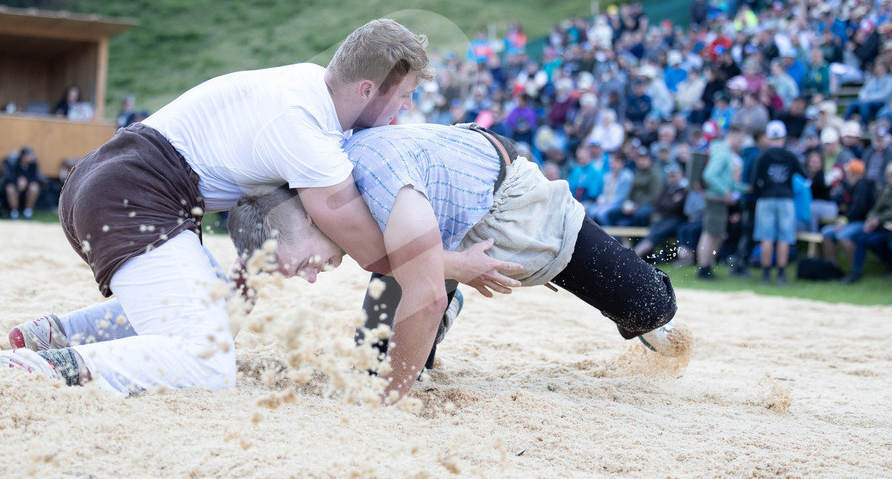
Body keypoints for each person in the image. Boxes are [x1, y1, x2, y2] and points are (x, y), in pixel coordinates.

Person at [0, 19, 516, 394]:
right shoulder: (306, 133)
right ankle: (38, 371)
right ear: (368, 86)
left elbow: (262, 227)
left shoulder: (305, 85)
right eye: (403, 97)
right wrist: (458, 266)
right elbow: (374, 250)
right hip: (135, 194)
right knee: (206, 364)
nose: (405, 111)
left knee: (218, 307)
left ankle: (61, 334)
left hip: (111, 180)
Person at [227, 123, 680, 404]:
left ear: (308, 215)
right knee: (374, 364)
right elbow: (263, 235)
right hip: (436, 234)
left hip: (506, 201)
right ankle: (445, 307)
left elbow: (420, 289)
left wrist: (389, 401)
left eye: (305, 262)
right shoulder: (305, 194)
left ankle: (653, 317)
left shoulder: (361, 185)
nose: (312, 277)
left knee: (650, 308)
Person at [749, 120, 804, 286]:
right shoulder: (790, 156)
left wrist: (762, 192)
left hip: (766, 199)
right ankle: (781, 275)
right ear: (784, 136)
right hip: (786, 200)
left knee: (766, 238)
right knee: (784, 239)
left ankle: (766, 276)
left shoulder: (762, 156)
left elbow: (753, 183)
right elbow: (804, 175)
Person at [696, 125, 746, 279]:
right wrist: (724, 192)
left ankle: (707, 267)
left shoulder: (722, 151)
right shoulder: (723, 153)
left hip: (717, 199)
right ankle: (704, 269)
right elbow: (709, 175)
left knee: (716, 234)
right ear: (734, 135)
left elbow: (727, 180)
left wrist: (746, 189)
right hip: (715, 199)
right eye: (741, 139)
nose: (742, 143)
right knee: (710, 234)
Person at [841, 162, 892, 283]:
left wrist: (878, 220)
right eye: (889, 176)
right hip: (882, 227)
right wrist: (871, 219)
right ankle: (856, 271)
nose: (890, 179)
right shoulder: (886, 190)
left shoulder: (862, 184)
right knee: (864, 239)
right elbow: (875, 208)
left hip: (885, 227)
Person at [821, 159, 877, 270]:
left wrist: (844, 221)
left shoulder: (862, 184)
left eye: (848, 171)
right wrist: (841, 180)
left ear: (854, 173)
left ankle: (855, 269)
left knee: (843, 235)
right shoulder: (856, 185)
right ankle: (834, 268)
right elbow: (849, 191)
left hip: (863, 222)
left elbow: (858, 208)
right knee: (826, 233)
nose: (847, 174)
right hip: (852, 222)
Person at [631, 162, 690, 260]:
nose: (672, 178)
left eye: (674, 175)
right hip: (665, 219)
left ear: (680, 175)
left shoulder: (684, 189)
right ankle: (636, 255)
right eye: (670, 176)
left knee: (657, 233)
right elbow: (658, 204)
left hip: (677, 220)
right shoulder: (667, 188)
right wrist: (670, 201)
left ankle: (635, 256)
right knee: (653, 229)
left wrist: (668, 203)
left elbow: (675, 206)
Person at [4, 147, 41, 219]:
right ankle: (14, 212)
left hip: (28, 187)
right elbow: (9, 177)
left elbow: (35, 178)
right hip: (15, 185)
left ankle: (28, 211)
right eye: (30, 156)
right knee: (10, 188)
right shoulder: (14, 163)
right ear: (23, 157)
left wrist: (26, 182)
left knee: (34, 187)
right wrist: (17, 183)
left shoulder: (33, 164)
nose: (32, 157)